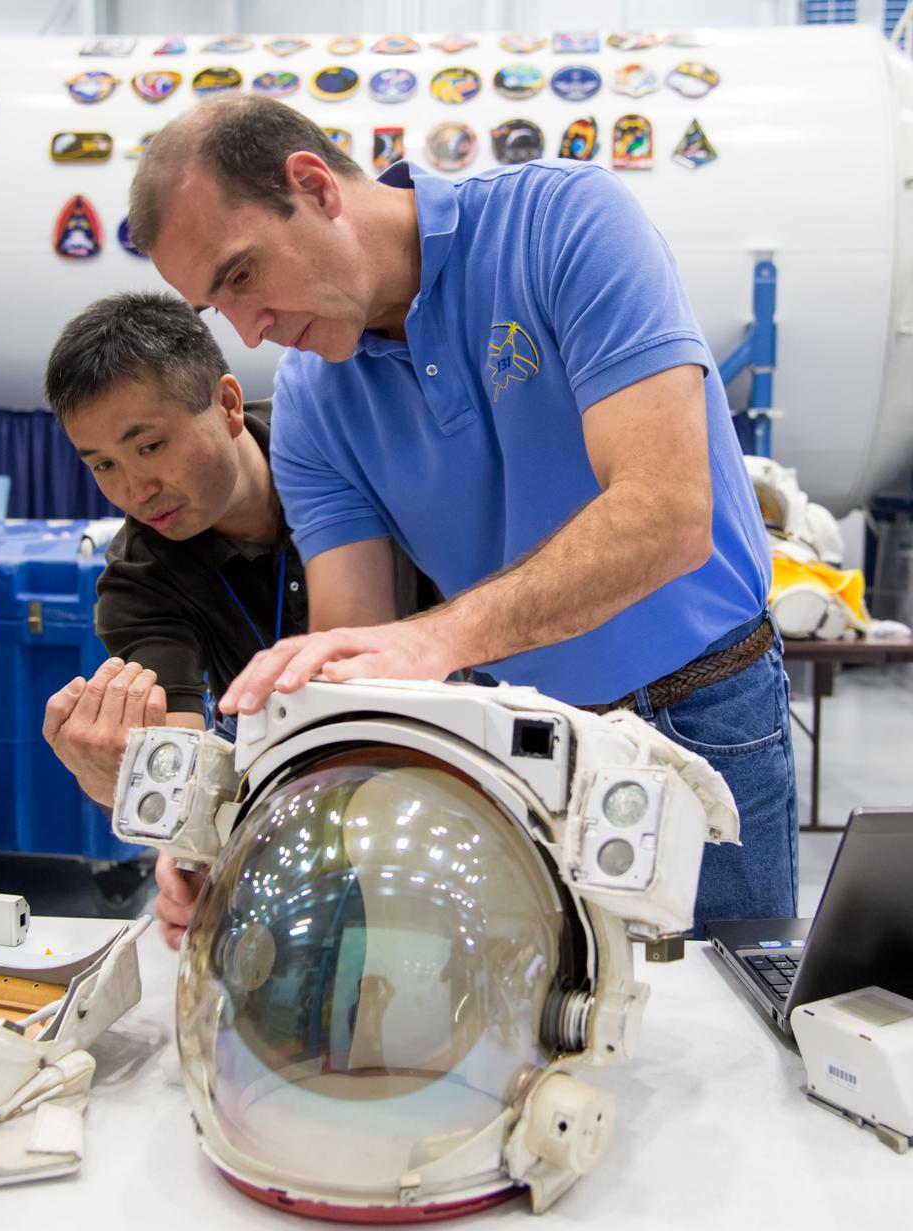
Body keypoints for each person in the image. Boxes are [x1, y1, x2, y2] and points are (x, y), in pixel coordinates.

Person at [128, 94, 798, 935]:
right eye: (216, 307)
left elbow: (666, 513)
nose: (250, 331)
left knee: (733, 1029)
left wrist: (435, 641)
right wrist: (237, 832)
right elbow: (350, 662)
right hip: (509, 743)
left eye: (241, 275)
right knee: (544, 1039)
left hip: (700, 714)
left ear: (314, 186)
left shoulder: (561, 224)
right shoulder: (311, 405)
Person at [40, 292, 414, 945]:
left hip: (458, 762)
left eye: (150, 445)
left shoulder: (353, 447)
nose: (133, 488)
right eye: (102, 464)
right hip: (305, 817)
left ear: (229, 405)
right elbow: (179, 751)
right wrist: (163, 821)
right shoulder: (139, 580)